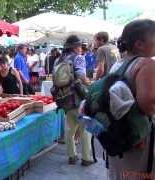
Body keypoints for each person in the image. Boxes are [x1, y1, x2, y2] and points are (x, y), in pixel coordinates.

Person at [91, 19, 155, 180]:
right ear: (140, 44)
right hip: (138, 138)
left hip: (119, 136)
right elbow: (148, 104)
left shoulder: (119, 64)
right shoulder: (147, 64)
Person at [54, 35, 92, 166]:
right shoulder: (78, 58)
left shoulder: (58, 60)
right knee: (85, 129)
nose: (81, 49)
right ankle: (87, 158)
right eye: (80, 46)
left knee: (70, 129)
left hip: (63, 98)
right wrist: (90, 83)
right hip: (78, 97)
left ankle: (72, 156)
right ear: (75, 47)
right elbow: (81, 77)